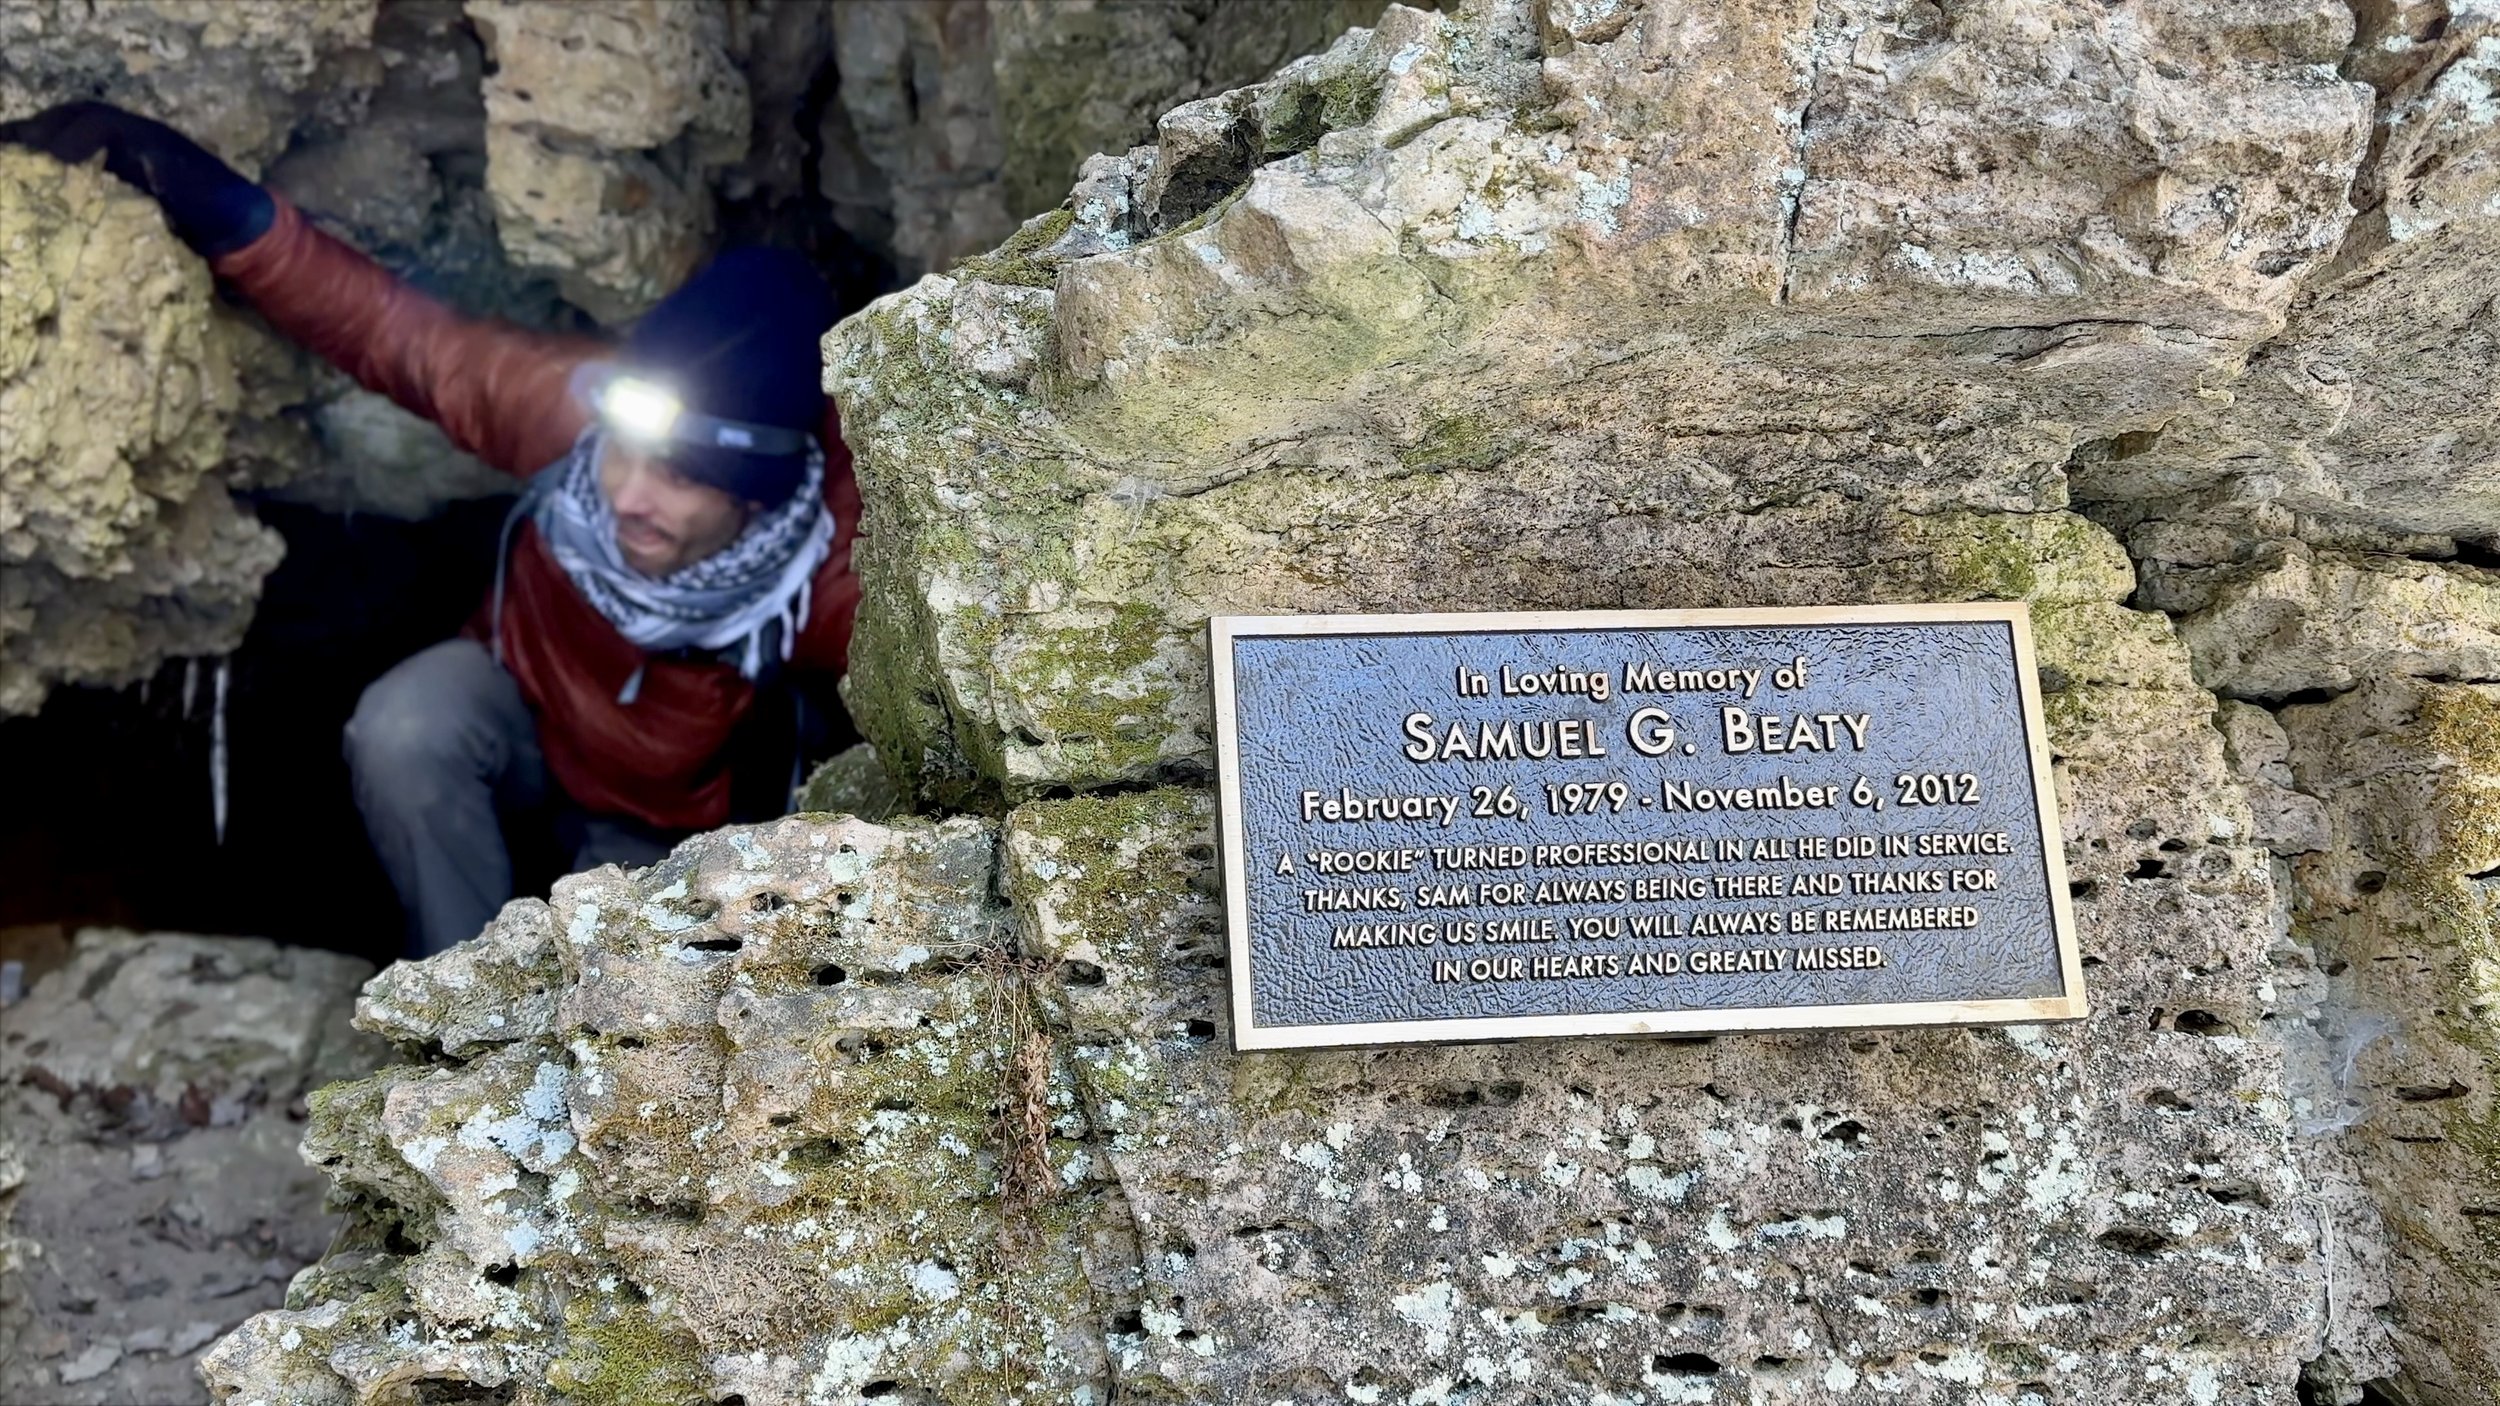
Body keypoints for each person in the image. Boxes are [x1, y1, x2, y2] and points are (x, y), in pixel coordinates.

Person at [1, 102, 863, 957]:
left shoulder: (832, 583)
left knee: (629, 974)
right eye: (623, 455)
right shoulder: (565, 421)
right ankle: (454, 995)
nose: (627, 496)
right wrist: (197, 188)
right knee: (405, 729)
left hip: (667, 816)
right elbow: (392, 333)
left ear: (755, 497)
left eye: (680, 478)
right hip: (522, 713)